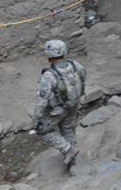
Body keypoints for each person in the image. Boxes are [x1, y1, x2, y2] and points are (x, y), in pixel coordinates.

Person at [32, 39, 85, 169]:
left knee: (43, 131)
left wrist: (37, 119)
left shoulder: (49, 75)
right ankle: (73, 163)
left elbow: (42, 101)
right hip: (74, 104)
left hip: (57, 110)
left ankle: (68, 150)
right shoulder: (75, 65)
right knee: (68, 129)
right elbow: (83, 78)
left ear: (49, 55)